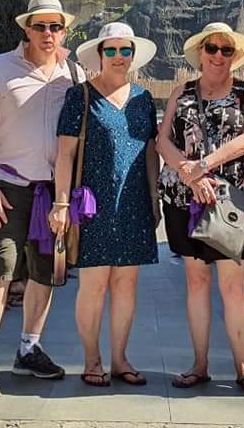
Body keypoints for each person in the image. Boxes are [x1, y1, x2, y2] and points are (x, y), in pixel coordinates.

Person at [0, 0, 85, 402]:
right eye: (40, 26)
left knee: (46, 272)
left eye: (55, 26)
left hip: (54, 191)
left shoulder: (75, 74)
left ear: (64, 30)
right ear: (26, 29)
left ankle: (29, 348)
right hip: (10, 185)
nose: (48, 33)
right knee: (2, 267)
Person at [156, 21, 244, 395]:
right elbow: (162, 142)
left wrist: (204, 166)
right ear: (200, 53)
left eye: (226, 50)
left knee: (233, 285)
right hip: (185, 197)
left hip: (231, 198)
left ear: (234, 56)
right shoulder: (180, 92)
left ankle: (243, 365)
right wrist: (189, 175)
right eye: (212, 49)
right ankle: (199, 363)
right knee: (196, 281)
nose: (219, 55)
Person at [50, 22, 161, 388]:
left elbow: (149, 153)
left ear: (133, 55)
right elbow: (64, 155)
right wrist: (61, 204)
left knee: (127, 285)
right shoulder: (79, 96)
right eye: (110, 50)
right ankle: (91, 359)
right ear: (99, 55)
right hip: (92, 205)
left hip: (134, 203)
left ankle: (120, 359)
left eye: (124, 50)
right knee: (94, 285)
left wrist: (154, 196)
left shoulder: (144, 99)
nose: (118, 57)